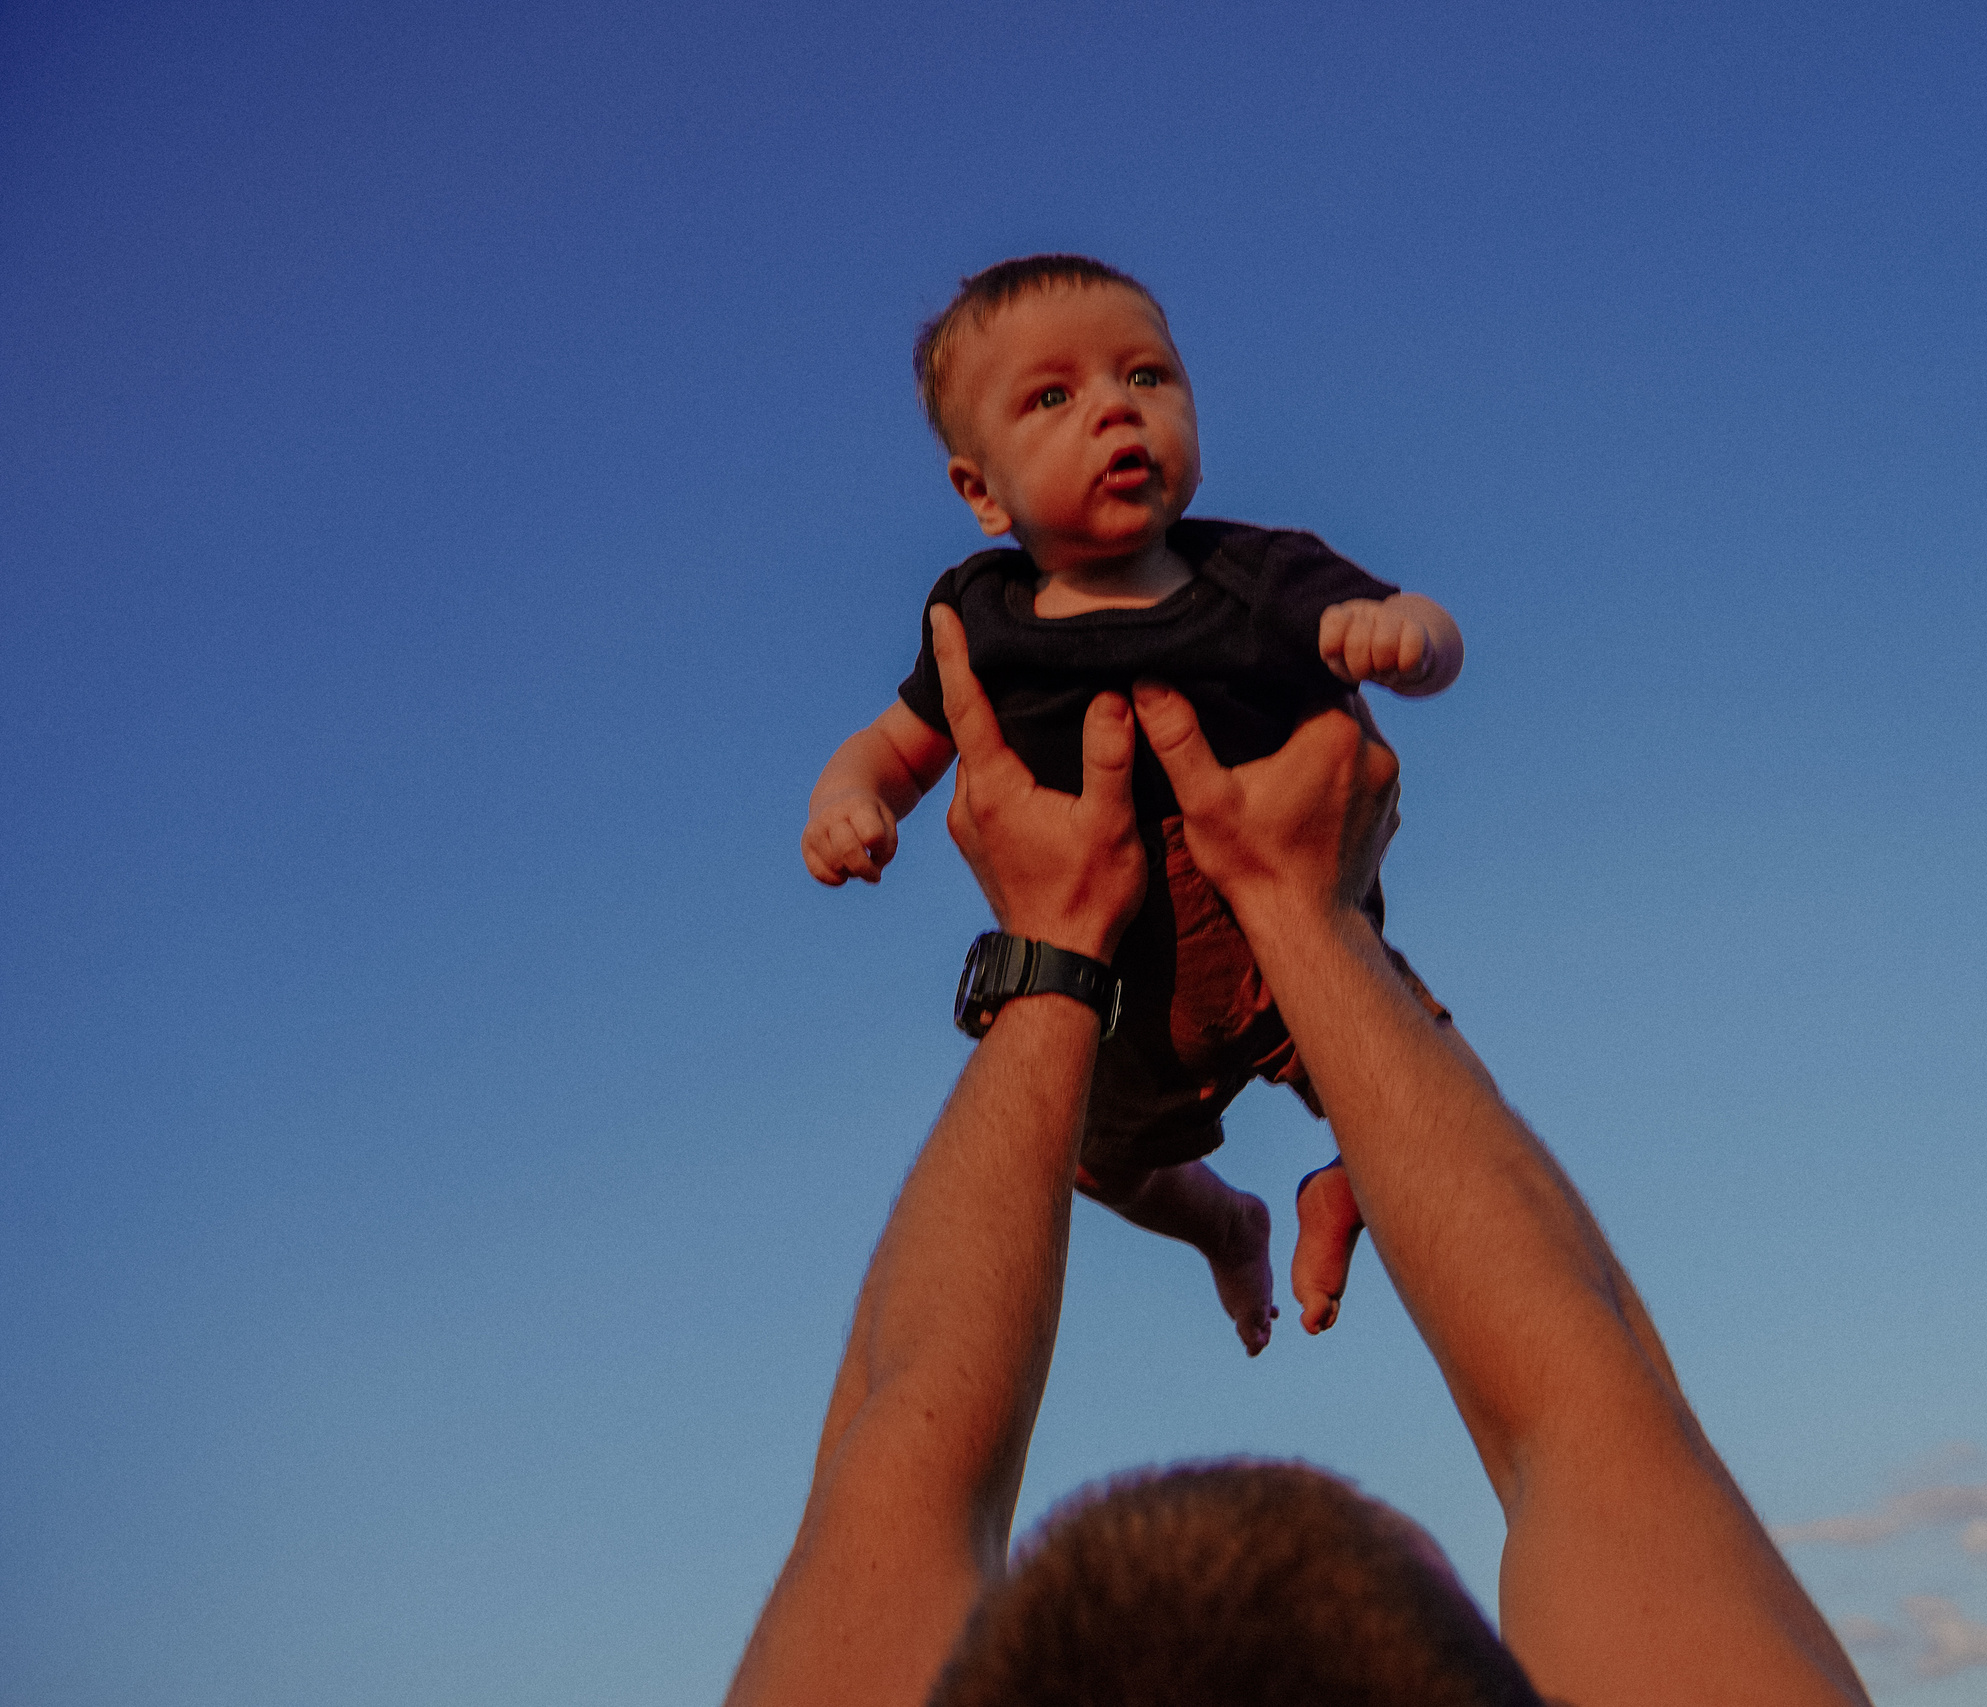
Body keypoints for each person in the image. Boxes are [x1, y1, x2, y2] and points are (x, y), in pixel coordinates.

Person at [725, 610, 1872, 1706]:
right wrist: (1306, 912)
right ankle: (1329, 1168)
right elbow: (1585, 1387)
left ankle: (1299, 1185)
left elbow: (901, 1416)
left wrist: (1057, 942)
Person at [800, 255, 1465, 1355]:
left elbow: (1422, 623)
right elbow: (894, 745)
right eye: (1053, 397)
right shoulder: (981, 619)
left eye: (1147, 376)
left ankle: (1345, 1185)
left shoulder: (1258, 578)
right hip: (1120, 989)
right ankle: (1222, 1225)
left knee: (1422, 1090)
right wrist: (851, 799)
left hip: (1297, 944)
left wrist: (1407, 641)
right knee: (1097, 1162)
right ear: (980, 491)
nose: (1116, 406)